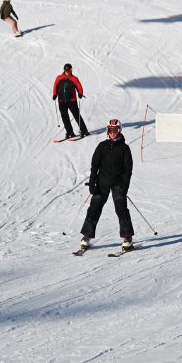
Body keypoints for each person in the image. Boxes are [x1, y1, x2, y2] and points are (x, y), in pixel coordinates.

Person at [80, 119, 134, 253]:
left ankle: (127, 237)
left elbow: (128, 170)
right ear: (107, 131)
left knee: (121, 209)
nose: (113, 133)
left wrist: (124, 187)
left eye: (115, 130)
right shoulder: (102, 146)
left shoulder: (124, 148)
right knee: (94, 209)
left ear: (119, 130)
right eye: (110, 130)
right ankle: (87, 236)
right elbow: (94, 167)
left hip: (118, 184)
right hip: (102, 183)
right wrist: (92, 184)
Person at [52, 63, 89, 139]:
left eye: (69, 70)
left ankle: (84, 130)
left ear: (71, 70)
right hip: (61, 101)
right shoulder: (59, 78)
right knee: (64, 117)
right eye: (66, 70)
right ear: (64, 70)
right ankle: (69, 132)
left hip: (72, 101)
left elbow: (79, 87)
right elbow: (55, 86)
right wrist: (55, 94)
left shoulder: (74, 78)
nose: (67, 71)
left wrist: (80, 93)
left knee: (76, 115)